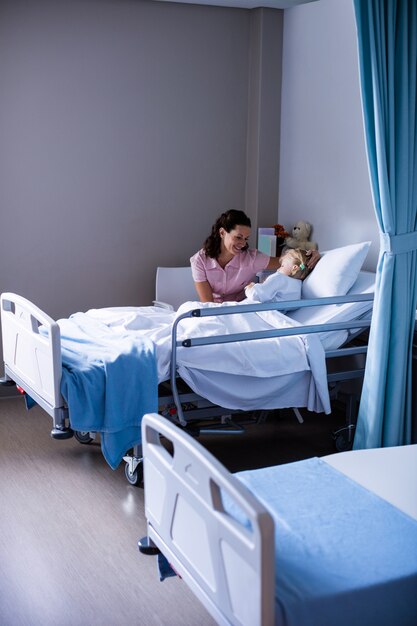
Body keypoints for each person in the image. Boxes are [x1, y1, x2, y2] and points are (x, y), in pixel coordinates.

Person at [190, 209, 319, 303]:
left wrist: (312, 255)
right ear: (222, 232)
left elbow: (289, 263)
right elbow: (207, 303)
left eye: (246, 238)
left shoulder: (252, 259)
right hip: (214, 311)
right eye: (238, 237)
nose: (243, 243)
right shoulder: (199, 261)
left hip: (242, 310)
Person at [244, 248, 311, 305]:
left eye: (282, 266)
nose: (278, 269)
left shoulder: (279, 278)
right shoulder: (298, 284)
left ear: (295, 267)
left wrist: (250, 288)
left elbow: (256, 295)